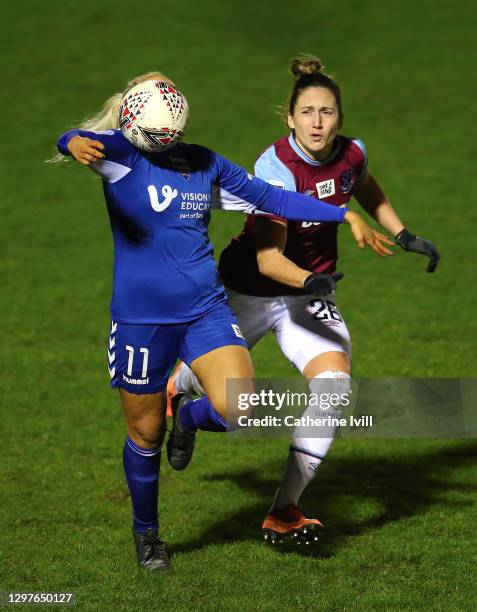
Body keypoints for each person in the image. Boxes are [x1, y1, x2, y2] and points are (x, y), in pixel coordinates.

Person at [54, 70, 389, 571]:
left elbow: (271, 198)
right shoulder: (120, 153)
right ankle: (148, 535)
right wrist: (72, 142)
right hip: (142, 322)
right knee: (144, 437)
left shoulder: (203, 162)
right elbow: (76, 139)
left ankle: (186, 417)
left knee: (242, 409)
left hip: (206, 311)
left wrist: (345, 215)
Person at [169, 55, 440, 545]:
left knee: (334, 389)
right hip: (251, 289)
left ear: (340, 117)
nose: (318, 122)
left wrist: (402, 233)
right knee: (210, 386)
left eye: (328, 112)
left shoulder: (351, 153)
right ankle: (179, 399)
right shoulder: (275, 168)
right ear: (290, 119)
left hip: (307, 293)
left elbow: (362, 184)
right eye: (308, 112)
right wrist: (314, 282)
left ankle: (284, 511)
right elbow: (270, 260)